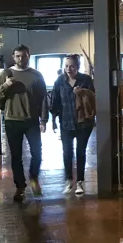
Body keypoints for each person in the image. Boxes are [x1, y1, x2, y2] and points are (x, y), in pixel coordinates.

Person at [0, 44, 48, 202]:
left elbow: (44, 99)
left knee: (37, 152)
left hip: (31, 121)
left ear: (29, 56)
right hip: (12, 120)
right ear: (13, 57)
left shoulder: (37, 75)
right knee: (16, 156)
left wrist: (43, 120)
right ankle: (20, 187)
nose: (21, 59)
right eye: (17, 56)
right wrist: (6, 85)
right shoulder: (6, 74)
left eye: (23, 56)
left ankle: (34, 177)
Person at [50, 54, 95, 195]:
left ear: (78, 67)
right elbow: (54, 102)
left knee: (80, 152)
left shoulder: (85, 80)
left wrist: (83, 92)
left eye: (72, 66)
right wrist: (53, 120)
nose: (69, 69)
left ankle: (80, 182)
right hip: (66, 123)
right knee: (67, 153)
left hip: (84, 124)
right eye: (66, 66)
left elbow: (93, 99)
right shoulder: (59, 81)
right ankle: (69, 180)